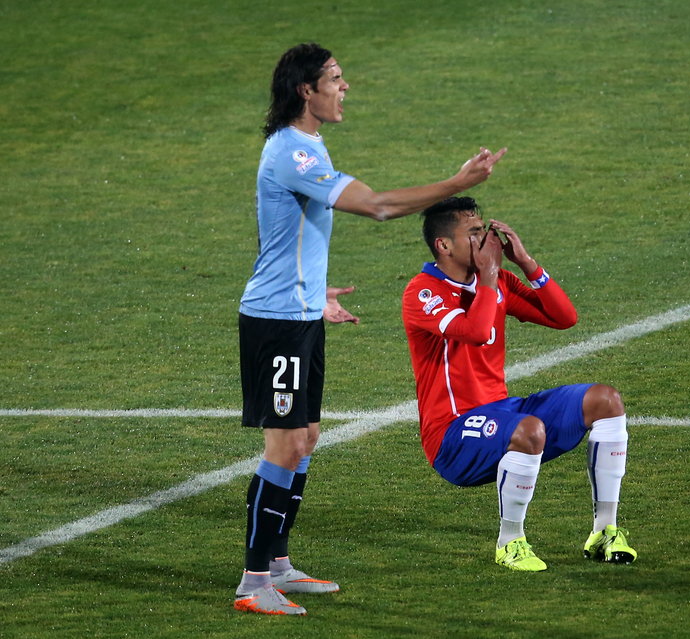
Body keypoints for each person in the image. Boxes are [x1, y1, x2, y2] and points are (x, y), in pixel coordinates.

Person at [235, 43, 506, 616]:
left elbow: (280, 233)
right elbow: (379, 207)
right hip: (277, 323)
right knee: (283, 445)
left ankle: (279, 563)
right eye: (335, 78)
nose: (345, 86)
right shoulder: (293, 152)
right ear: (305, 90)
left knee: (305, 440)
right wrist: (455, 182)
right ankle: (253, 580)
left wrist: (314, 290)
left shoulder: (306, 146)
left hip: (299, 312)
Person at [401, 197, 637, 572]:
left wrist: (525, 263)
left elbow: (564, 318)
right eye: (474, 233)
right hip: (451, 433)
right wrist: (492, 278)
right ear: (444, 245)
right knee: (529, 431)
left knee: (605, 400)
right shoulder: (423, 292)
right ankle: (510, 542)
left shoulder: (496, 282)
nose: (486, 239)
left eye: (483, 230)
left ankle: (605, 531)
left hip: (501, 411)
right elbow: (476, 332)